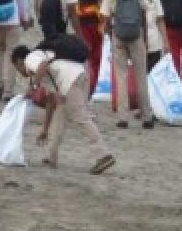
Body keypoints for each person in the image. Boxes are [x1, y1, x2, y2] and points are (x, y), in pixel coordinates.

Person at [12, 45, 114, 174]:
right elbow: (50, 102)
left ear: (19, 62)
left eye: (17, 68)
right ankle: (51, 156)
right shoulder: (41, 59)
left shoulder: (30, 59)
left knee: (80, 118)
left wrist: (33, 86)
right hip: (77, 76)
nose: (20, 72)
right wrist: (45, 129)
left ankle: (103, 155)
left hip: (70, 81)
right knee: (60, 116)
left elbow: (42, 65)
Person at [99, 0, 156, 128]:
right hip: (136, 33)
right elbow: (148, 10)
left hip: (119, 33)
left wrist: (109, 33)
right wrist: (144, 35)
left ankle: (123, 116)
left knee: (121, 76)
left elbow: (105, 16)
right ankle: (146, 115)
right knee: (141, 75)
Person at [71, 0, 104, 93]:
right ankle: (92, 86)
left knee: (82, 55)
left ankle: (83, 85)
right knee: (96, 57)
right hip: (94, 20)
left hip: (78, 20)